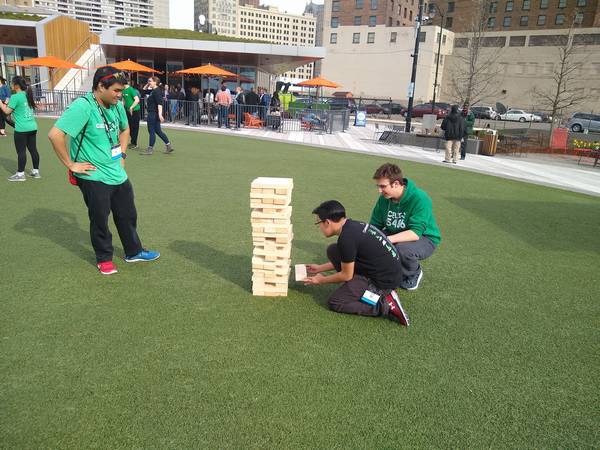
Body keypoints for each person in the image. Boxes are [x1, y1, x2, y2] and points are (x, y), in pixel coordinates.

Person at [47, 67, 160, 275]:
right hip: (92, 174)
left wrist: (122, 155)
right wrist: (71, 164)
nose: (120, 95)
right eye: (116, 90)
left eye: (121, 90)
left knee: (127, 214)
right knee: (100, 218)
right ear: (100, 86)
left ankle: (133, 251)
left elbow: (125, 129)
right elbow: (55, 135)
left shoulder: (116, 105)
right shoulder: (83, 106)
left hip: (116, 171)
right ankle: (104, 257)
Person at [304, 200, 410, 326]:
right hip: (388, 271)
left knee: (336, 302)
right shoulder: (352, 226)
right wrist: (319, 268)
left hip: (383, 280)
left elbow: (346, 275)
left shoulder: (346, 238)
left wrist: (321, 280)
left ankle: (384, 305)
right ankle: (362, 288)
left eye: (318, 223)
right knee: (333, 250)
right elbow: (348, 259)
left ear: (327, 222)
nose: (319, 227)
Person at [369, 163, 441, 290]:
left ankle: (414, 272)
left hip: (425, 238)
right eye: (378, 186)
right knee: (370, 240)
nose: (379, 190)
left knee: (402, 249)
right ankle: (383, 270)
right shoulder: (384, 199)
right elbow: (375, 225)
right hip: (396, 233)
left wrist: (386, 240)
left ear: (396, 183)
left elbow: (415, 233)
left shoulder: (420, 198)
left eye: (383, 186)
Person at [0, 76, 40, 182]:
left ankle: (20, 174)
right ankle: (36, 172)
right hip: (32, 127)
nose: (11, 85)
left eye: (12, 83)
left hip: (22, 129)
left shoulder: (16, 97)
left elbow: (7, 111)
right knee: (33, 150)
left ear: (16, 85)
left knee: (21, 152)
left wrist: (0, 102)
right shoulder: (28, 94)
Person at [140, 76, 173, 155]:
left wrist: (160, 115)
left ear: (155, 82)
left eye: (150, 81)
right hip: (154, 113)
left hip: (153, 113)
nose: (149, 82)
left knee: (151, 131)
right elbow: (143, 93)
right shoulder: (153, 91)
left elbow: (159, 104)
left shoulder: (156, 91)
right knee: (158, 131)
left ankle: (150, 149)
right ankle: (168, 146)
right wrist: (147, 85)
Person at [121, 81, 140, 149]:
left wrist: (131, 107)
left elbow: (137, 100)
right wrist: (122, 109)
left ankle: (134, 143)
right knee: (129, 126)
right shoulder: (123, 90)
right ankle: (132, 142)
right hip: (127, 111)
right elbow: (123, 100)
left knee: (135, 127)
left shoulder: (131, 89)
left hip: (135, 111)